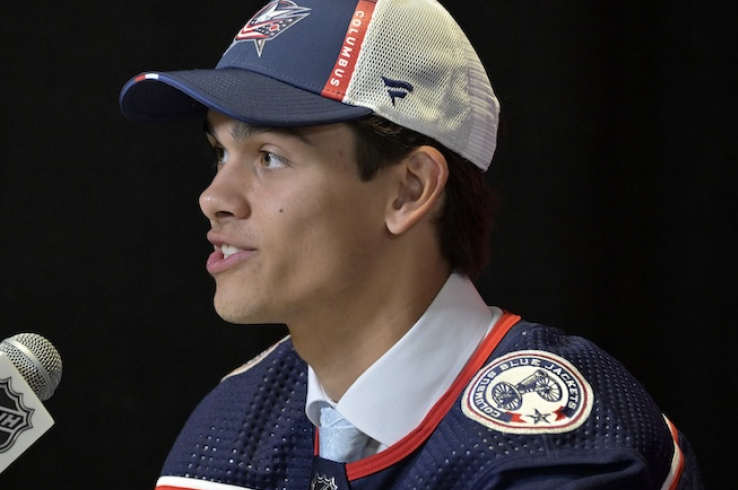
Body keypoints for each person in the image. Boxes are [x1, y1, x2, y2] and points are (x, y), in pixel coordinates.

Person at [119, 0, 704, 488]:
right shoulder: (229, 423)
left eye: (270, 157)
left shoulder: (557, 445)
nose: (214, 196)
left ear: (409, 189)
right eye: (220, 152)